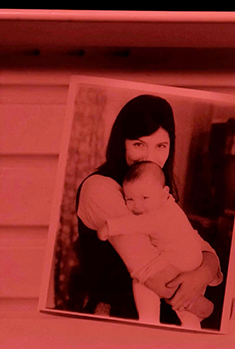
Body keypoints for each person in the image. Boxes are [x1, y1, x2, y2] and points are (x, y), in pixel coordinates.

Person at [72, 94, 223, 327]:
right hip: (119, 317)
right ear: (121, 142)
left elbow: (199, 246)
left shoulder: (158, 192)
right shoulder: (99, 187)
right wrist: (206, 308)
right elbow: (149, 269)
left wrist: (202, 274)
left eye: (161, 146)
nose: (150, 158)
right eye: (138, 144)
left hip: (170, 313)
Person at [97, 161, 214, 328]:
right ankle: (193, 328)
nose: (137, 206)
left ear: (164, 193)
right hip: (192, 262)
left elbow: (136, 223)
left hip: (181, 262)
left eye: (144, 198)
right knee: (186, 309)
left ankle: (148, 320)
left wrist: (109, 227)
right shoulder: (168, 205)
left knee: (142, 282)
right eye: (129, 199)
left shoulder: (160, 215)